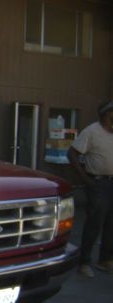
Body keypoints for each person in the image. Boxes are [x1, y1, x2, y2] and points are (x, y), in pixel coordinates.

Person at [67, 100, 113, 277]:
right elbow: (72, 153)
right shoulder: (92, 131)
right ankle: (84, 262)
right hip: (98, 183)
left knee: (111, 224)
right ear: (105, 115)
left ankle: (106, 259)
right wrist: (85, 179)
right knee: (95, 222)